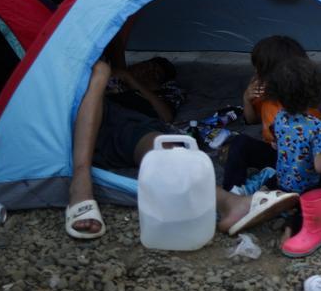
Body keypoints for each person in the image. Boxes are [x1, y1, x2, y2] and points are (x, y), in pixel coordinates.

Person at [66, 45, 296, 240]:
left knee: (164, 147)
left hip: (129, 126)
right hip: (82, 111)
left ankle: (229, 202)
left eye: (156, 72)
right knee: (99, 71)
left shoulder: (167, 92)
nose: (149, 71)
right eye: (148, 65)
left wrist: (134, 81)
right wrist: (117, 74)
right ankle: (81, 176)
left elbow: (165, 116)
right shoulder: (97, 81)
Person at [265, 56, 321, 245]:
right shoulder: (317, 127)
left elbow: (283, 145)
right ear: (314, 92)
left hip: (282, 181)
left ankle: (268, 194)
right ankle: (293, 223)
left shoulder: (280, 117)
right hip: (304, 189)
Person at [221, 36, 321, 191]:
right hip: (275, 154)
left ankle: (268, 188)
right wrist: (247, 99)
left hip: (296, 161)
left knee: (308, 176)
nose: (255, 73)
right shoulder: (264, 94)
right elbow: (252, 120)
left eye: (259, 69)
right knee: (240, 143)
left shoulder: (305, 109)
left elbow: (315, 152)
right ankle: (232, 192)